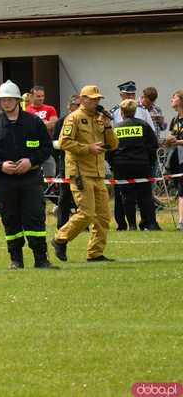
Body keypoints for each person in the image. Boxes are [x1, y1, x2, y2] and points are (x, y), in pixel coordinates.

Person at [0, 80, 57, 269]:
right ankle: (16, 259)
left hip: (30, 179)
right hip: (4, 180)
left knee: (35, 217)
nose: (5, 103)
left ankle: (41, 258)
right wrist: (0, 165)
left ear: (17, 100)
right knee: (10, 219)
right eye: (2, 100)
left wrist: (32, 161)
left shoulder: (33, 122)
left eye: (9, 99)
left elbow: (46, 147)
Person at [51, 85, 119, 263]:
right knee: (87, 213)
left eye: (98, 99)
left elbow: (113, 145)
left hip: (98, 173)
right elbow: (64, 142)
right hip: (80, 172)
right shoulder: (73, 118)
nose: (97, 102)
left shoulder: (99, 119)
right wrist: (88, 148)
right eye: (93, 98)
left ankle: (95, 253)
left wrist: (108, 127)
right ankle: (60, 238)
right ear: (83, 99)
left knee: (103, 216)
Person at [109, 81, 156, 231]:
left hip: (126, 162)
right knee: (125, 196)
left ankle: (145, 223)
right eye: (127, 94)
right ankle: (122, 224)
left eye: (132, 94)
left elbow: (151, 135)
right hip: (129, 161)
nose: (130, 97)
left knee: (139, 195)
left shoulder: (142, 110)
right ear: (121, 95)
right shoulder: (113, 112)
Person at [54, 95, 80, 229]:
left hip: (82, 164)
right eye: (76, 104)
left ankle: (83, 224)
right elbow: (54, 143)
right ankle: (62, 223)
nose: (79, 107)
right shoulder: (61, 122)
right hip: (66, 163)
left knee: (82, 196)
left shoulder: (85, 120)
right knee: (64, 196)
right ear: (69, 107)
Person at [26, 85, 58, 177]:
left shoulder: (50, 109)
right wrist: (44, 123)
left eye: (42, 96)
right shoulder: (27, 110)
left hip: (46, 145)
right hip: (32, 146)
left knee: (50, 172)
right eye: (38, 96)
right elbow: (27, 128)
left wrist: (37, 125)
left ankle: (50, 190)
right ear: (32, 96)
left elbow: (53, 125)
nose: (41, 98)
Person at [165, 89, 183, 230]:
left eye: (174, 97)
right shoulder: (175, 119)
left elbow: (178, 140)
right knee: (180, 190)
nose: (171, 99)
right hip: (176, 159)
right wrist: (169, 140)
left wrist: (177, 142)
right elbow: (172, 137)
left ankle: (181, 222)